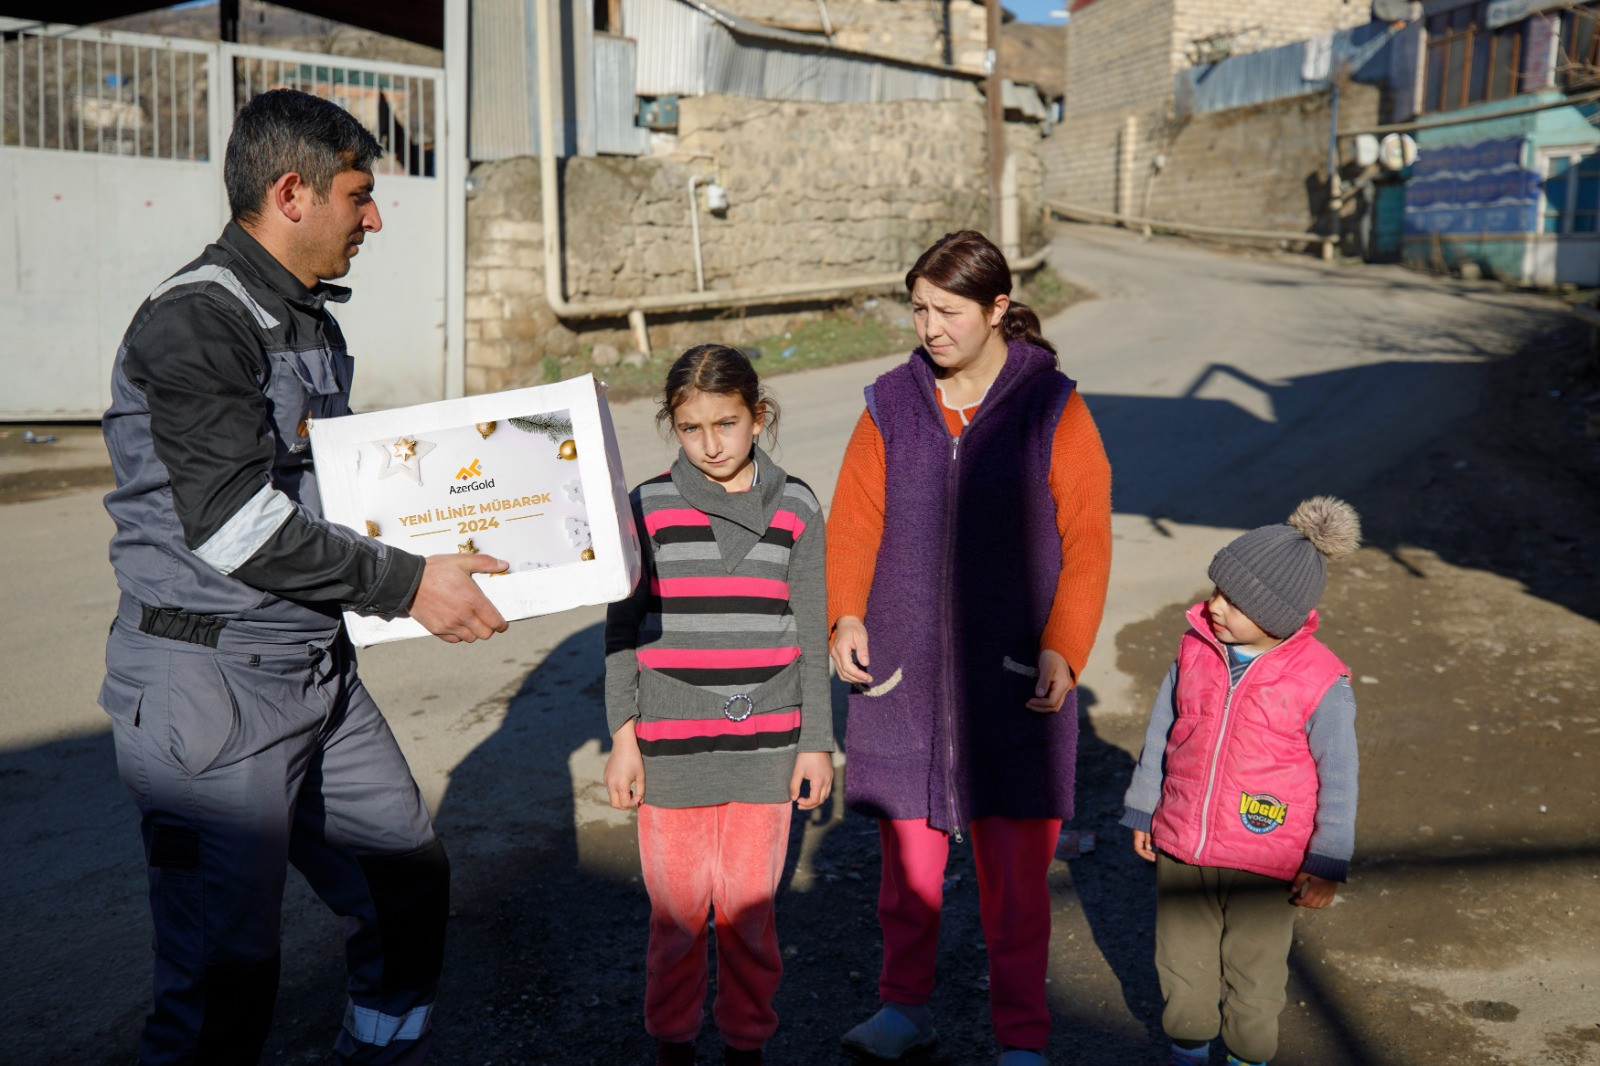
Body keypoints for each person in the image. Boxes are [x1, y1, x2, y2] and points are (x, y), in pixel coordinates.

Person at [98, 88, 510, 1065]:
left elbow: (331, 483)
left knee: (405, 884)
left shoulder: (308, 319)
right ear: (292, 192)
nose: (375, 218)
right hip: (210, 685)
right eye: (359, 195)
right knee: (222, 983)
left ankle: (377, 1051)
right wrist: (413, 584)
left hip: (311, 666)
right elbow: (238, 526)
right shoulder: (194, 324)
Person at [827, 230, 1113, 1066]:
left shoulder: (1051, 405)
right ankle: (903, 1009)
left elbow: (1087, 536)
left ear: (997, 309)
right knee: (906, 877)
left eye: (948, 310)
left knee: (1018, 886)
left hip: (1013, 680)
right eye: (917, 308)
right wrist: (846, 613)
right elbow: (853, 521)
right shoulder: (889, 402)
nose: (929, 327)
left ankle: (1021, 1037)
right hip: (904, 680)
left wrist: (1065, 645)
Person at [603, 344, 836, 1066]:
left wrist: (816, 743)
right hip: (669, 753)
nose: (710, 445)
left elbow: (809, 628)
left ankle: (745, 1044)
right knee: (676, 918)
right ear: (672, 425)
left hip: (766, 749)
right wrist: (621, 737)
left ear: (758, 417)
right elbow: (620, 631)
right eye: (691, 427)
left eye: (726, 425)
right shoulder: (644, 507)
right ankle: (673, 1044)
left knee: (748, 917)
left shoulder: (797, 507)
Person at [1121, 497, 1362, 1066]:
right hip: (1184, 843)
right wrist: (1144, 807)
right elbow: (1162, 730)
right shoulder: (1194, 649)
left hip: (1265, 853)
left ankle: (1247, 1055)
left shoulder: (1321, 681)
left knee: (1254, 971)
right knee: (1181, 962)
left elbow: (1341, 775)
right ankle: (1187, 1046)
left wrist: (1327, 860)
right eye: (1216, 589)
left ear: (1276, 614)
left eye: (1232, 599)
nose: (1214, 605)